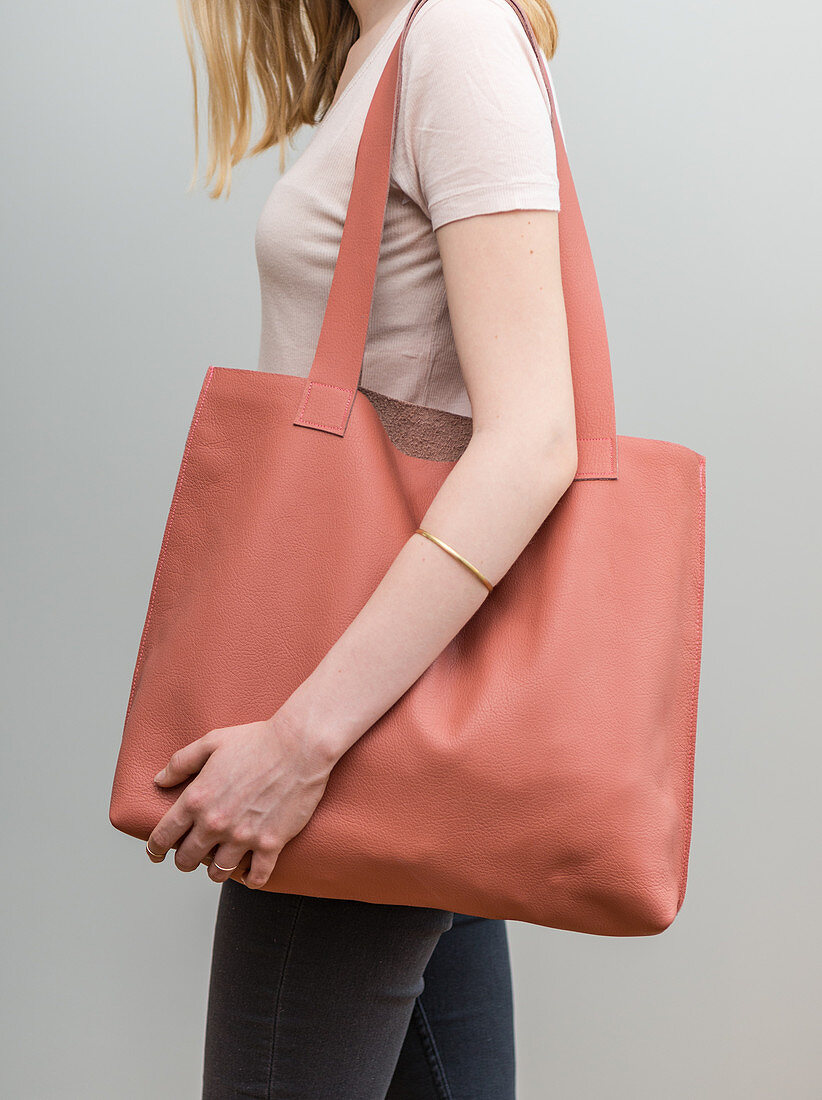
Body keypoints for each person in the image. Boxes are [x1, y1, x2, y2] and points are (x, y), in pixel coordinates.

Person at [145, 0, 577, 1095]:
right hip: (394, 710)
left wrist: (300, 743)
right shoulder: (385, 44)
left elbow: (531, 440)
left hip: (351, 724)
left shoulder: (457, 37)